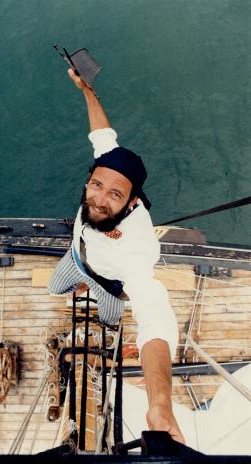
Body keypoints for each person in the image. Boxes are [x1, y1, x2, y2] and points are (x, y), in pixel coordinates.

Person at [48, 68, 184, 444]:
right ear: (90, 180)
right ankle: (75, 285)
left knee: (111, 318)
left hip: (111, 283)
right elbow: (103, 136)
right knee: (54, 286)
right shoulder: (106, 167)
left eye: (115, 194)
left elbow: (154, 313)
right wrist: (86, 89)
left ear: (133, 201)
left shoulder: (137, 249)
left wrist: (161, 400)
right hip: (77, 258)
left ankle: (106, 324)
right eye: (97, 185)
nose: (100, 199)